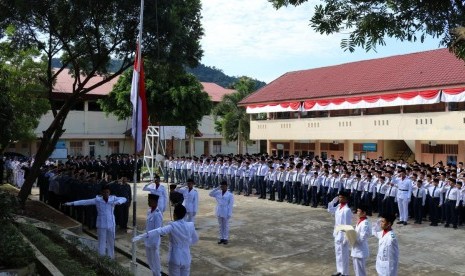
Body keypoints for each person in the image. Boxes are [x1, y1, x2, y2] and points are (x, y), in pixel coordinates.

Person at [132, 204, 199, 276]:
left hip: (175, 257)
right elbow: (195, 239)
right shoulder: (190, 225)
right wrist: (185, 244)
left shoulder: (172, 226)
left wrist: (142, 236)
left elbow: (158, 231)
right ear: (184, 214)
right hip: (186, 258)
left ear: (174, 215)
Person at [64, 184, 127, 258]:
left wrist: (118, 202)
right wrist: (72, 203)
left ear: (109, 192)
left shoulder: (113, 199)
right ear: (101, 193)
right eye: (104, 192)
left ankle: (111, 258)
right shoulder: (97, 200)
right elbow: (84, 202)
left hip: (111, 224)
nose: (106, 194)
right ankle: (101, 259)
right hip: (101, 224)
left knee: (111, 242)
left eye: (107, 192)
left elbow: (124, 198)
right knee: (101, 242)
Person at [328, 190, 352, 276]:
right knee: (338, 253)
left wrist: (346, 238)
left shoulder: (347, 210)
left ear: (346, 199)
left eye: (341, 197)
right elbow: (330, 210)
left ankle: (345, 273)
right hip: (337, 232)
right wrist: (332, 202)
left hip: (343, 234)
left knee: (344, 255)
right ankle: (339, 271)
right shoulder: (338, 206)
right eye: (339, 197)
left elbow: (347, 225)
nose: (339, 199)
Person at [209, 180, 234, 245]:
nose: (222, 187)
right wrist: (217, 188)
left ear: (226, 186)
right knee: (220, 225)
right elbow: (210, 194)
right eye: (221, 186)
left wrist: (229, 213)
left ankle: (225, 238)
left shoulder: (230, 194)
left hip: (226, 210)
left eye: (224, 186)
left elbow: (230, 205)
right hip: (219, 210)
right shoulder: (218, 192)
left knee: (225, 225)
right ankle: (221, 238)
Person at [145, 194, 163, 276]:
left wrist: (155, 244)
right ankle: (154, 274)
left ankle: (158, 274)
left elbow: (158, 230)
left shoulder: (157, 214)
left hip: (154, 242)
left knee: (155, 261)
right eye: (148, 200)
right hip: (148, 240)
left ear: (155, 202)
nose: (148, 202)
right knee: (150, 261)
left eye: (150, 201)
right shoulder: (149, 211)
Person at [351, 204, 371, 276]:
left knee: (360, 272)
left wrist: (351, 234)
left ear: (364, 213)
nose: (357, 212)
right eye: (357, 211)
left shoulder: (365, 223)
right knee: (357, 271)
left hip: (360, 250)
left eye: (359, 211)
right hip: (356, 249)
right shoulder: (360, 221)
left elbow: (361, 239)